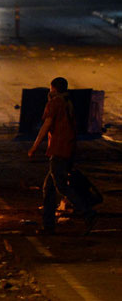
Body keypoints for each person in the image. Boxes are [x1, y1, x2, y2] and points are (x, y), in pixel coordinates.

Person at [28, 77, 97, 235]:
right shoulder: (68, 102)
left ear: (53, 89)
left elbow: (46, 126)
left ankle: (88, 212)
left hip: (59, 149)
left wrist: (34, 147)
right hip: (68, 147)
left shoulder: (55, 103)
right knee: (49, 187)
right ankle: (48, 225)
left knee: (60, 185)